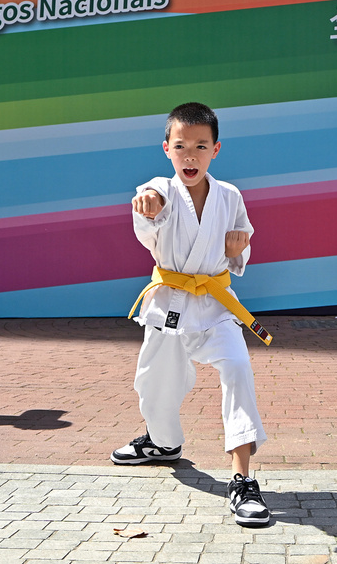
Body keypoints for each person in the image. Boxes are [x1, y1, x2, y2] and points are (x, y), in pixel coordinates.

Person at [113, 102, 272, 527]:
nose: (190, 155)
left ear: (215, 150)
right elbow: (150, 206)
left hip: (216, 305)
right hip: (169, 304)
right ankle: (163, 443)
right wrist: (147, 204)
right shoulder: (159, 190)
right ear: (166, 148)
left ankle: (243, 479)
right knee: (154, 386)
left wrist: (238, 250)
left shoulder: (230, 195)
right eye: (181, 145)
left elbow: (240, 246)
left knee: (237, 367)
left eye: (201, 146)